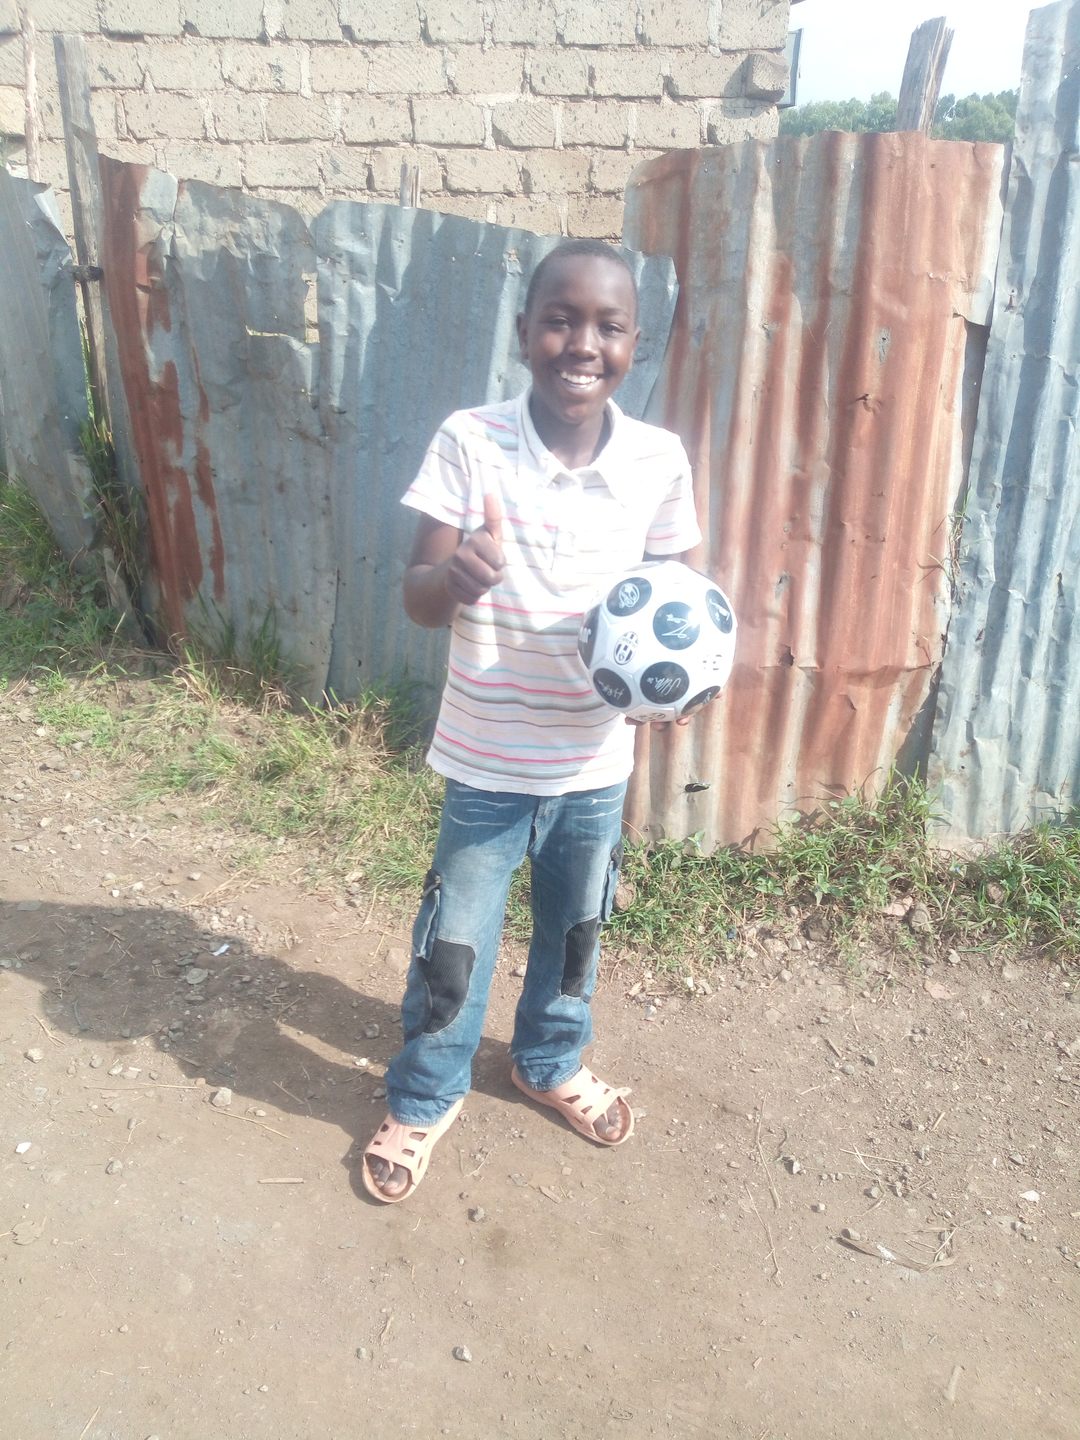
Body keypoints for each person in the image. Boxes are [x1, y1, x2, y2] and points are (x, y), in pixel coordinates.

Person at [362, 239, 702, 1203]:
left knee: (575, 935)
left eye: (608, 325)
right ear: (523, 332)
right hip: (486, 760)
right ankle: (426, 1093)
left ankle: (548, 1061)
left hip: (595, 764)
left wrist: (683, 682)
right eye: (559, 319)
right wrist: (454, 576)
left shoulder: (657, 461)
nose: (581, 342)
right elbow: (417, 597)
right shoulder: (471, 443)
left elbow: (684, 602)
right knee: (455, 944)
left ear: (634, 343)